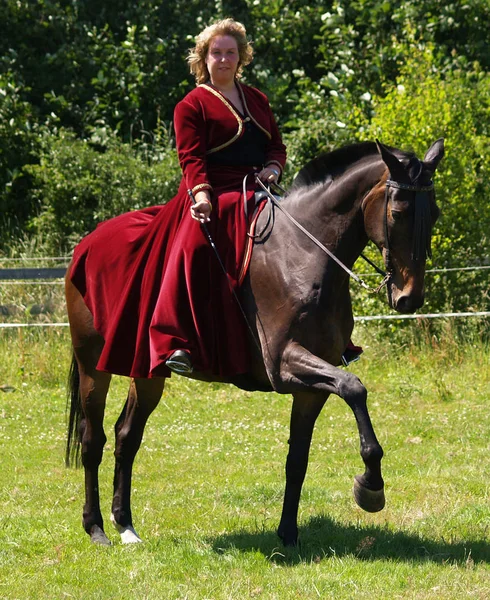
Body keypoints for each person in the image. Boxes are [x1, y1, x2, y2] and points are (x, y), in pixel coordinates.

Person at [69, 18, 287, 379]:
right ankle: (173, 341)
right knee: (193, 248)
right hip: (211, 194)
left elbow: (276, 146)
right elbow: (191, 158)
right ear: (204, 58)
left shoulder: (258, 100)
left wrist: (273, 169)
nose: (224, 59)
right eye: (216, 52)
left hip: (257, 191)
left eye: (230, 52)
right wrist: (201, 195)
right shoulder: (192, 105)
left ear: (242, 57)